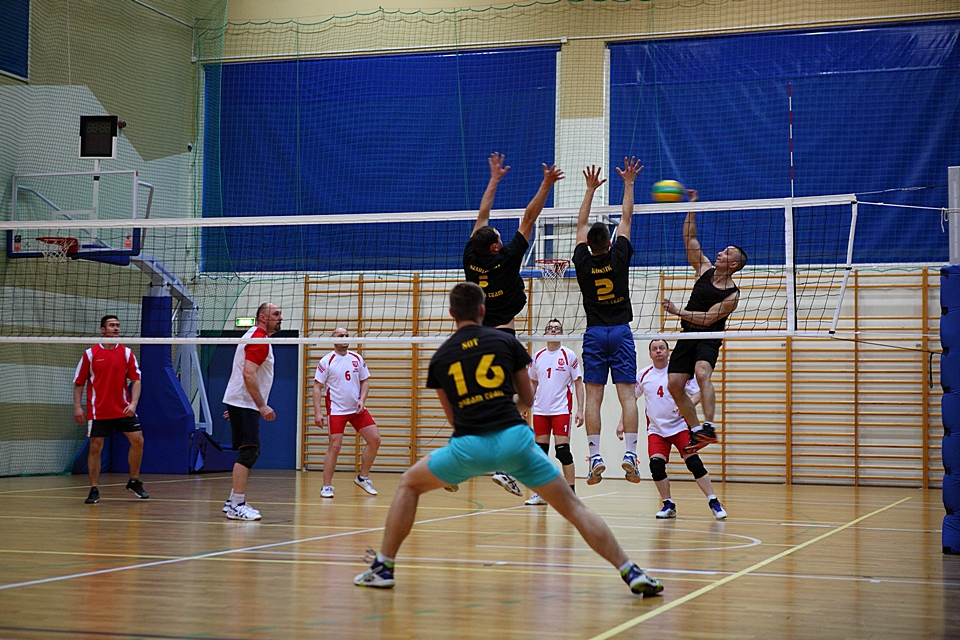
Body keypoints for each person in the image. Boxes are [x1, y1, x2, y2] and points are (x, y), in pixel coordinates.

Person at [353, 282, 662, 596]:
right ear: (483, 310)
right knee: (573, 508)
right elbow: (528, 399)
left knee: (409, 484)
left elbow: (454, 419)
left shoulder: (441, 357)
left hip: (468, 447)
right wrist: (501, 406)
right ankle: (631, 571)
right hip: (515, 442)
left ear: (451, 313)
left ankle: (384, 567)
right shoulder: (505, 341)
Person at [464, 152, 564, 496]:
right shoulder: (506, 259)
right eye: (498, 238)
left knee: (486, 402)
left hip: (478, 338)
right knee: (521, 399)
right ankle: (502, 465)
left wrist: (493, 180)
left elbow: (482, 216)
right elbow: (530, 216)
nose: (502, 238)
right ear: (495, 246)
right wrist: (546, 184)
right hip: (504, 338)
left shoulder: (470, 256)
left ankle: (465, 459)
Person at [572, 158, 644, 486]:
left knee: (593, 397)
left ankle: (595, 456)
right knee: (627, 396)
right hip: (620, 331)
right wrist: (628, 183)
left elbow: (580, 223)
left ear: (588, 244)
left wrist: (590, 190)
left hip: (595, 332)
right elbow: (626, 218)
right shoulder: (619, 256)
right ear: (611, 242)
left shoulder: (582, 261)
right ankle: (630, 453)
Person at [661, 190, 747, 453]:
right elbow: (690, 238)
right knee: (674, 384)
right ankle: (698, 431)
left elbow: (709, 319)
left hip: (708, 337)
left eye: (727, 253)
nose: (720, 253)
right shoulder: (703, 269)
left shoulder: (732, 295)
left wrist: (677, 311)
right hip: (687, 334)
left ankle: (709, 425)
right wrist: (692, 205)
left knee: (701, 373)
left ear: (733, 265)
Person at [618, 340, 727, 519]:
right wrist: (622, 422)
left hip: (680, 427)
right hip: (656, 430)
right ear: (650, 354)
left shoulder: (678, 372)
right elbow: (630, 399)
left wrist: (687, 405)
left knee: (694, 463)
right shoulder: (643, 375)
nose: (658, 351)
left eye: (662, 348)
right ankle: (668, 504)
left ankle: (713, 501)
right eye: (654, 349)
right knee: (656, 466)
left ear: (668, 351)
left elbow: (699, 391)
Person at [73, 315, 148, 504]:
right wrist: (78, 407)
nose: (116, 328)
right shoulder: (90, 354)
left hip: (123, 408)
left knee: (138, 440)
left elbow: (136, 380)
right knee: (95, 447)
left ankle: (134, 481)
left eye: (117, 325)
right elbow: (79, 383)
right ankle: (94, 489)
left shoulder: (127, 353)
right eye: (112, 325)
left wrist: (133, 404)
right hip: (98, 410)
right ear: (103, 329)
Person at [221, 302, 282, 521]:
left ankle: (232, 501)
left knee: (249, 451)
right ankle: (236, 504)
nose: (280, 318)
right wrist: (262, 405)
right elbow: (248, 373)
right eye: (276, 314)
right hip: (245, 402)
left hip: (242, 403)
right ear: (263, 317)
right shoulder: (258, 339)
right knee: (249, 452)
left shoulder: (256, 336)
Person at [313, 327, 381, 498]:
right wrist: (318, 413)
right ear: (333, 339)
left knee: (375, 439)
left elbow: (365, 382)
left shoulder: (357, 358)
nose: (344, 338)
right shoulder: (327, 361)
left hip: (356, 409)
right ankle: (326, 486)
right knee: (335, 446)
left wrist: (362, 400)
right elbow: (317, 387)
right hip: (337, 410)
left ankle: (363, 477)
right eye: (340, 335)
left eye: (346, 335)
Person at [525, 318, 584, 505]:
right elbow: (533, 383)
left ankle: (571, 495)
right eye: (550, 328)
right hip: (540, 410)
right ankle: (541, 494)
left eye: (557, 328)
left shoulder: (569, 355)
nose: (553, 330)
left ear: (562, 333)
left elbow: (579, 384)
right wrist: (525, 406)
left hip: (561, 410)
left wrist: (580, 410)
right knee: (541, 454)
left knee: (563, 452)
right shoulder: (537, 356)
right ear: (545, 333)